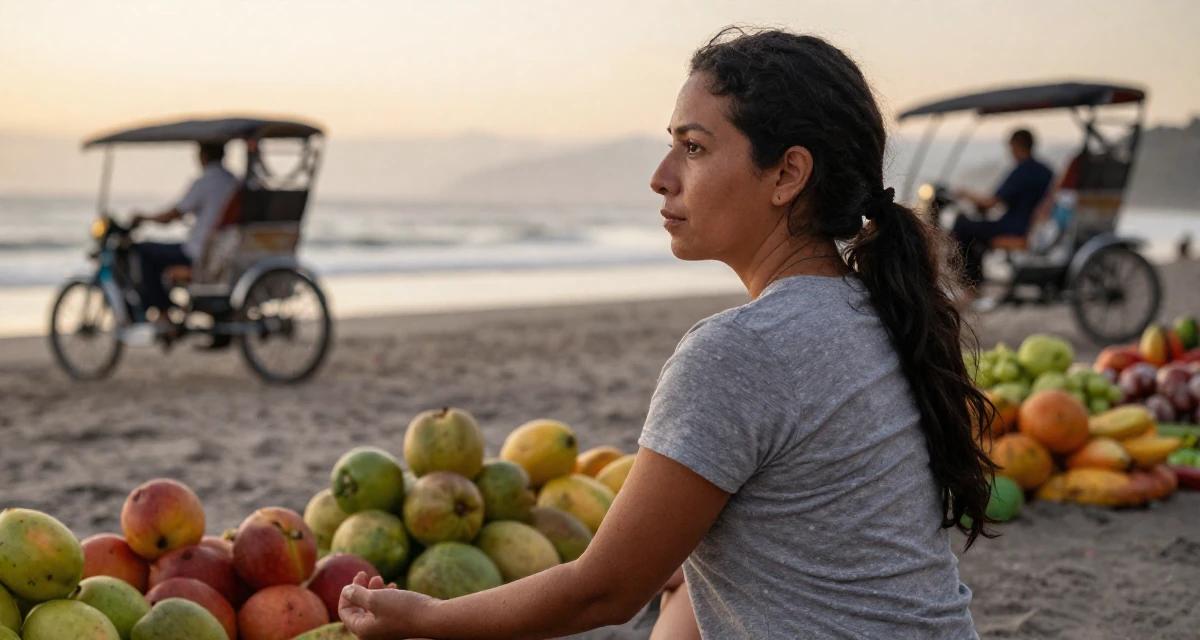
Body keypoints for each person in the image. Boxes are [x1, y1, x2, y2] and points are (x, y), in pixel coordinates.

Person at [338, 27, 993, 640]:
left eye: (694, 148)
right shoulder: (877, 308)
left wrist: (424, 618)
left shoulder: (737, 351)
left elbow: (602, 594)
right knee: (684, 585)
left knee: (662, 585)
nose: (661, 176)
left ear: (788, 175)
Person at [131, 142, 238, 317]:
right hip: (225, 251)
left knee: (144, 251)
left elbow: (173, 214)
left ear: (203, 156)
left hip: (200, 254)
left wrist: (144, 218)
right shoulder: (234, 181)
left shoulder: (205, 182)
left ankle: (163, 313)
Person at [951, 129, 1054, 287]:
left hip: (1013, 227)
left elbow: (992, 202)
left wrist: (965, 194)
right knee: (975, 227)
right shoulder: (1046, 171)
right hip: (1031, 227)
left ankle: (969, 281)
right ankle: (974, 279)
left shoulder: (1021, 171)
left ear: (1016, 145)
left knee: (962, 225)